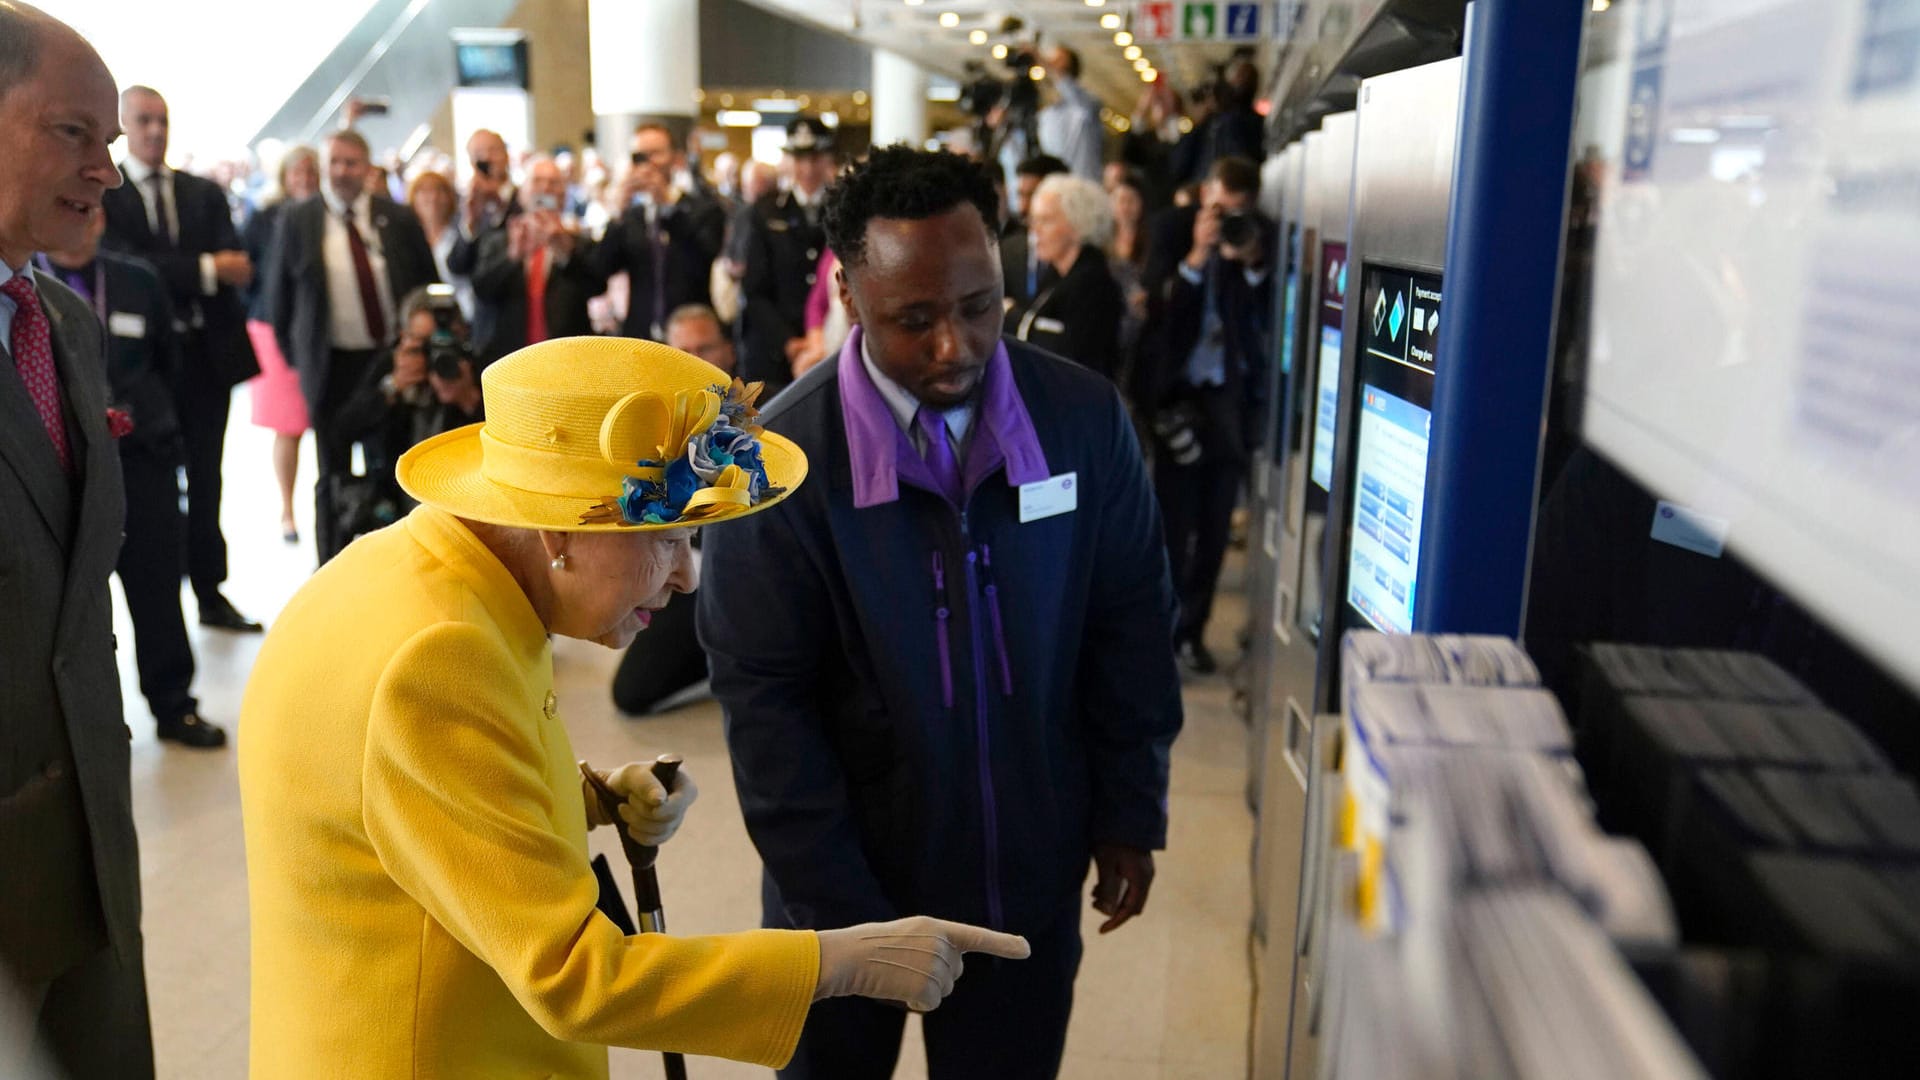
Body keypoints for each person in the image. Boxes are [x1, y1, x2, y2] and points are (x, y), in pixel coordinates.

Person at [238, 334, 1029, 1078]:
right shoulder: (442, 656)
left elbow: (405, 799)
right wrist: (834, 961)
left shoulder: (405, 570)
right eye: (669, 537)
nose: (687, 577)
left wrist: (587, 795)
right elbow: (575, 978)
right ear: (558, 530)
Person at [700, 146, 1183, 1080]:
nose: (954, 346)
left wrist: (1130, 805)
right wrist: (851, 921)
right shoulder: (774, 466)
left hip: (1022, 889)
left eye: (977, 307)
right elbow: (765, 703)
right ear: (848, 294)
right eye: (912, 319)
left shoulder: (1082, 419)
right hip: (839, 906)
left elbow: (1129, 621)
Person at [0, 6, 155, 1075]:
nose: (106, 170)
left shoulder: (65, 325)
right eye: (73, 133)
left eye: (111, 141)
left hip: (87, 851)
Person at [42, 205, 228, 749]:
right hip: (64, 469)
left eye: (90, 210)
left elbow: (169, 366)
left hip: (141, 460)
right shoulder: (30, 288)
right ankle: (83, 727)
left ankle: (174, 705)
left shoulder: (137, 280)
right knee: (72, 603)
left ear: (102, 221)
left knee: (156, 586)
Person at [101, 84, 263, 632]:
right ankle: (162, 594)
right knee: (152, 487)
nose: (155, 130)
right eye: (143, 120)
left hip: (206, 360)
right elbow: (128, 268)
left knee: (208, 476)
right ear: (124, 125)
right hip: (141, 370)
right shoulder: (109, 195)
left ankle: (211, 591)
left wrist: (192, 268)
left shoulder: (202, 193)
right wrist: (205, 270)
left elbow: (239, 264)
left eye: (162, 120)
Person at [266, 127, 438, 564]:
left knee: (396, 464)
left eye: (350, 162)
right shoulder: (297, 219)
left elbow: (427, 286)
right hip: (330, 367)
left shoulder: (396, 218)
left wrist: (419, 347)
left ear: (367, 168)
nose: (341, 171)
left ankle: (401, 560)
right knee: (333, 475)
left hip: (390, 360)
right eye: (333, 163)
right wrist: (301, 361)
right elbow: (279, 302)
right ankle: (333, 567)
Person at [1135, 156, 1274, 674]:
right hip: (1179, 398)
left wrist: (1252, 258)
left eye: (1238, 210)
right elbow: (1157, 307)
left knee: (1216, 528)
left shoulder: (1254, 237)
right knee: (1173, 526)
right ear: (1204, 197)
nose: (1229, 218)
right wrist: (1197, 254)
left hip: (1228, 402)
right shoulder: (1172, 230)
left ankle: (1192, 632)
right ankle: (1163, 631)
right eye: (1221, 208)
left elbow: (1267, 308)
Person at [609, 304, 737, 717]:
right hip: (683, 573)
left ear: (728, 353)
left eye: (706, 348)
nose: (697, 362)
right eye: (684, 352)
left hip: (747, 574)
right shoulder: (647, 423)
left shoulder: (764, 416)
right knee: (632, 694)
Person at [242, 144, 318, 544]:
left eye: (311, 170)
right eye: (297, 171)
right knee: (288, 427)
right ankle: (288, 510)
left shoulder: (327, 216)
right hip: (274, 329)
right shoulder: (267, 215)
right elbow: (247, 269)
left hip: (319, 331)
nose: (304, 178)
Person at [596, 123, 725, 342]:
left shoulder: (702, 209)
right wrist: (617, 214)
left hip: (691, 336)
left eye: (655, 154)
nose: (648, 163)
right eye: (639, 156)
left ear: (676, 158)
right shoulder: (632, 216)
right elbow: (601, 269)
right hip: (641, 334)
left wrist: (667, 206)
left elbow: (703, 257)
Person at [470, 154, 606, 361]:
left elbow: (596, 286)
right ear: (522, 192)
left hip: (567, 358)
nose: (545, 188)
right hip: (510, 359)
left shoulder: (579, 242)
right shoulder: (498, 240)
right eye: (537, 181)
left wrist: (566, 253)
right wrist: (512, 257)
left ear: (564, 194)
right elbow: (482, 291)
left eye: (553, 183)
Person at [740, 116, 835, 392]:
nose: (807, 168)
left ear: (827, 158)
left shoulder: (841, 205)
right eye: (799, 158)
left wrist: (821, 338)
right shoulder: (767, 210)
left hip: (830, 342)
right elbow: (754, 288)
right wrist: (789, 342)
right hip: (777, 350)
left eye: (815, 158)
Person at [1012, 174, 1124, 382]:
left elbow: (1074, 355)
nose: (1035, 231)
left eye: (1045, 220)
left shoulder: (1093, 284)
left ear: (1078, 225)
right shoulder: (1055, 277)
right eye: (1033, 220)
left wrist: (1012, 317)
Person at [1000, 154, 1068, 309]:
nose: (1022, 207)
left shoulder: (1074, 256)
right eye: (1020, 195)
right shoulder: (1006, 249)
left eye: (1032, 195)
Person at [407, 169, 473, 321]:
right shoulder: (407, 239)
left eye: (439, 190)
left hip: (464, 314)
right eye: (424, 191)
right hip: (422, 318)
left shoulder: (463, 233)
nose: (433, 198)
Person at [1036, 46, 1105, 182]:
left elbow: (1069, 89)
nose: (1050, 62)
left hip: (1084, 184)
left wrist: (1037, 56)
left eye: (1058, 59)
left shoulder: (1087, 103)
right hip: (1056, 183)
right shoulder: (1047, 113)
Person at [1106, 168, 1151, 362]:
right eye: (1119, 200)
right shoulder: (1102, 241)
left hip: (1142, 321)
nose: (1125, 207)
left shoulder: (1152, 240)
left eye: (1131, 200)